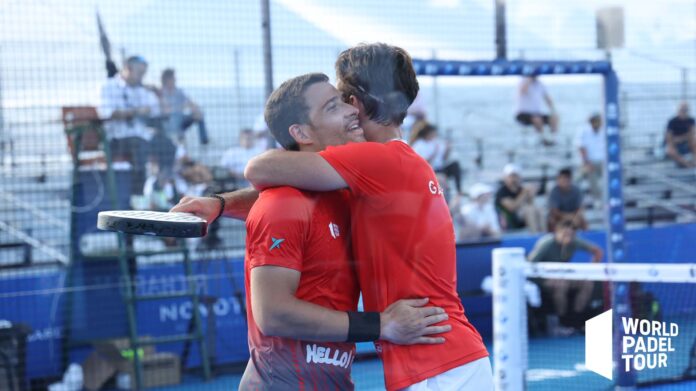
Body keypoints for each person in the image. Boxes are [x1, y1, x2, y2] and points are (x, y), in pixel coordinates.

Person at [174, 73, 452, 390]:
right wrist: (382, 325)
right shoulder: (283, 204)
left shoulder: (341, 194)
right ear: (301, 132)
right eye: (333, 106)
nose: (351, 110)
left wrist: (220, 204)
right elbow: (274, 313)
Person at [243, 43, 491, 391]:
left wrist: (220, 202)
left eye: (343, 98)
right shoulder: (391, 166)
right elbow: (294, 197)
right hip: (443, 360)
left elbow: (259, 168)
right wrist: (220, 205)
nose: (345, 108)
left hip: (434, 365)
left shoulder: (376, 161)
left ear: (357, 103)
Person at [527, 219, 603, 335]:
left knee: (587, 283)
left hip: (562, 276)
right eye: (565, 234)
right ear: (557, 232)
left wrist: (592, 269)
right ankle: (562, 323)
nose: (568, 237)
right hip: (540, 279)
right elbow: (530, 263)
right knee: (561, 284)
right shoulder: (546, 243)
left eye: (571, 234)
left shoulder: (574, 241)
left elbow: (597, 251)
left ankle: (577, 321)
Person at [98, 55, 160, 195]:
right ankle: (137, 196)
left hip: (141, 137)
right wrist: (135, 111)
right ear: (128, 69)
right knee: (139, 145)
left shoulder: (141, 89)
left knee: (167, 145)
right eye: (140, 73)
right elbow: (108, 113)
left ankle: (159, 190)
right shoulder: (109, 86)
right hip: (116, 140)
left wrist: (155, 93)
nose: (142, 77)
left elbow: (156, 109)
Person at [409, 122, 463, 194]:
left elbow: (443, 158)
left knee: (455, 164)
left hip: (439, 168)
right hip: (429, 170)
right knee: (441, 179)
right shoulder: (419, 144)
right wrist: (434, 153)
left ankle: (459, 190)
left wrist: (448, 149)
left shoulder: (435, 142)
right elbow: (423, 163)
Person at [159, 68, 209, 144]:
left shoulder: (179, 91)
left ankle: (204, 141)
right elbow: (165, 111)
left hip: (181, 120)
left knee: (199, 115)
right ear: (166, 79)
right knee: (174, 119)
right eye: (173, 78)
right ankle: (179, 137)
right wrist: (181, 107)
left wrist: (194, 108)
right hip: (169, 122)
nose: (175, 80)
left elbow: (190, 102)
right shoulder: (161, 92)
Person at [495, 163, 544, 233]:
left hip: (523, 214)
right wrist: (524, 193)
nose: (513, 179)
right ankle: (535, 234)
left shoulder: (521, 189)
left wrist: (531, 195)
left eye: (516, 176)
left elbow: (531, 204)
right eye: (511, 176)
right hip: (511, 218)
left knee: (539, 210)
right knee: (529, 210)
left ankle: (543, 233)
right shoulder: (502, 192)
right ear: (505, 178)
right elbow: (512, 208)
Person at [515, 75, 559, 146]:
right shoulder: (523, 81)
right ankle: (543, 139)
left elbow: (547, 98)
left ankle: (553, 139)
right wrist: (529, 79)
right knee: (537, 119)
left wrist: (553, 110)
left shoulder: (540, 84)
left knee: (554, 118)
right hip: (522, 113)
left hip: (536, 113)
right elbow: (523, 91)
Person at [574, 113, 605, 203]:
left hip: (602, 163)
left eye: (599, 121)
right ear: (591, 122)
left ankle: (609, 196)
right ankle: (597, 198)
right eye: (595, 121)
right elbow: (581, 148)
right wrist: (587, 162)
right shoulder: (583, 131)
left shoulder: (604, 131)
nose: (597, 123)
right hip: (587, 163)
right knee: (590, 172)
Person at [664, 102, 696, 167]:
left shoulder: (691, 120)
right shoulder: (672, 121)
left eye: (685, 110)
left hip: (686, 141)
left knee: (694, 140)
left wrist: (682, 138)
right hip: (674, 143)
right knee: (670, 150)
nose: (684, 112)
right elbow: (669, 138)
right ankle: (686, 163)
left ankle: (694, 160)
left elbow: (692, 134)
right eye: (682, 110)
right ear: (678, 110)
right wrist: (681, 138)